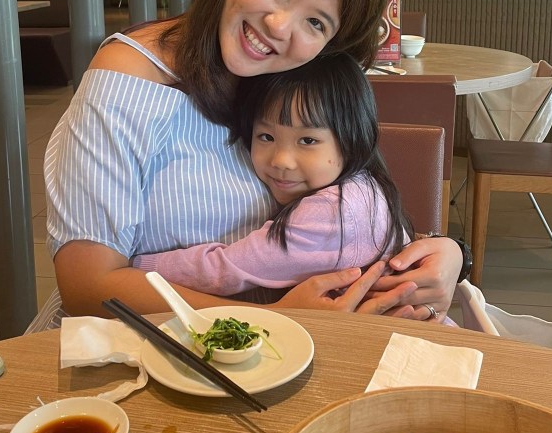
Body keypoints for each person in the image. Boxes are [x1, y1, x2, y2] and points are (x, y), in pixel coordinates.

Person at [41, 0, 464, 327]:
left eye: (316, 23)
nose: (279, 27)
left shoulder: (290, 75)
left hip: (290, 347)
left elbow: (350, 197)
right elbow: (87, 287)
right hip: (154, 347)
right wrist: (272, 319)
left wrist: (447, 253)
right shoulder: (128, 80)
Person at [131, 52, 426, 316]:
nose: (281, 160)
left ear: (353, 139)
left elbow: (227, 268)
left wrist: (137, 266)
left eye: (307, 140)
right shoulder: (364, 187)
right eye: (267, 137)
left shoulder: (333, 210)